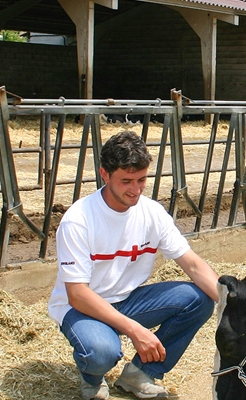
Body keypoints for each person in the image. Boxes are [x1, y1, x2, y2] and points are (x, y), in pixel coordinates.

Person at [47, 131, 220, 400]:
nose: (136, 190)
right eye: (126, 181)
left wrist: (235, 304)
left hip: (127, 299)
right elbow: (77, 294)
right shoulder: (79, 220)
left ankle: (139, 374)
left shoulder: (152, 212)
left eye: (141, 180)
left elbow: (194, 265)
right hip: (82, 307)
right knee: (102, 352)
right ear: (105, 175)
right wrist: (135, 330)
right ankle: (92, 377)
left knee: (199, 298)